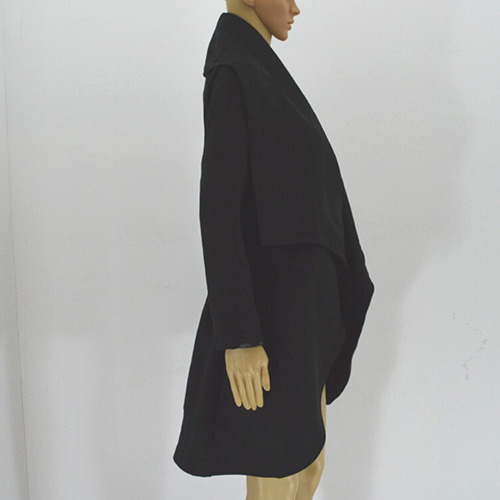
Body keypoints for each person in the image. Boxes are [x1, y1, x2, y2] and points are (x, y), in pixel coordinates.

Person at [173, 1, 375, 499]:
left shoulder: (261, 70)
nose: (295, 7)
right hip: (272, 316)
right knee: (277, 475)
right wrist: (240, 335)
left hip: (304, 315)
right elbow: (218, 209)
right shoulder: (234, 70)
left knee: (307, 469)